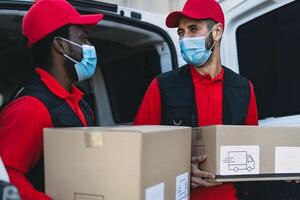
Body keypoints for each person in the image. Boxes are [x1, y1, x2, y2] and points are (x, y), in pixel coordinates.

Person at [134, 0, 258, 199]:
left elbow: (254, 151)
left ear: (217, 32)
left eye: (193, 29)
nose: (184, 39)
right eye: (181, 33)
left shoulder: (243, 88)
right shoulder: (162, 86)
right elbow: (137, 151)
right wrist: (178, 170)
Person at [0, 0, 103, 199]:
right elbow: (7, 178)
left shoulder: (81, 103)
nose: (89, 47)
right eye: (83, 38)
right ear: (61, 44)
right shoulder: (31, 108)